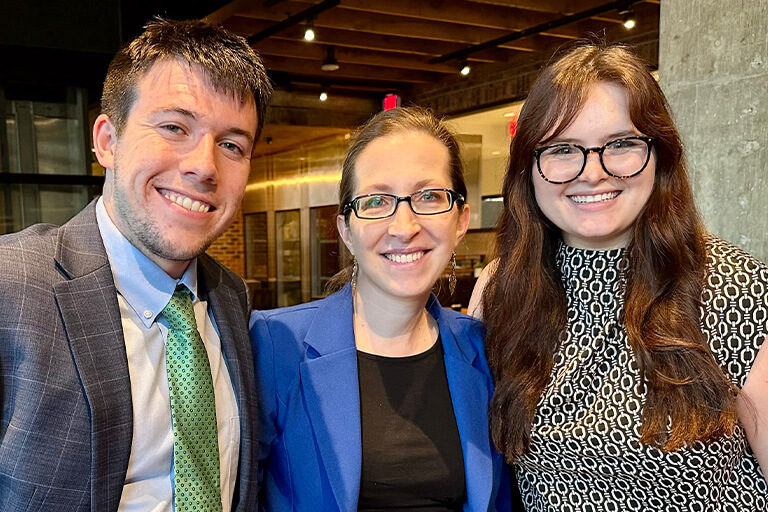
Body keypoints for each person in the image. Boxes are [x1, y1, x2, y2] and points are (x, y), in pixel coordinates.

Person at [468, 42, 768, 511]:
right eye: (563, 149)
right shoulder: (502, 292)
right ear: (529, 168)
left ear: (660, 155)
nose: (592, 173)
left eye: (621, 144)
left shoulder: (738, 286)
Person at [0, 18, 272, 512]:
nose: (205, 167)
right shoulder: (12, 286)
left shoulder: (231, 296)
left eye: (232, 145)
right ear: (107, 141)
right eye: (174, 127)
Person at [250, 107, 512, 511]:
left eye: (429, 196)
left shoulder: (483, 349)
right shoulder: (275, 344)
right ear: (346, 230)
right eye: (376, 201)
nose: (404, 227)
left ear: (461, 220)